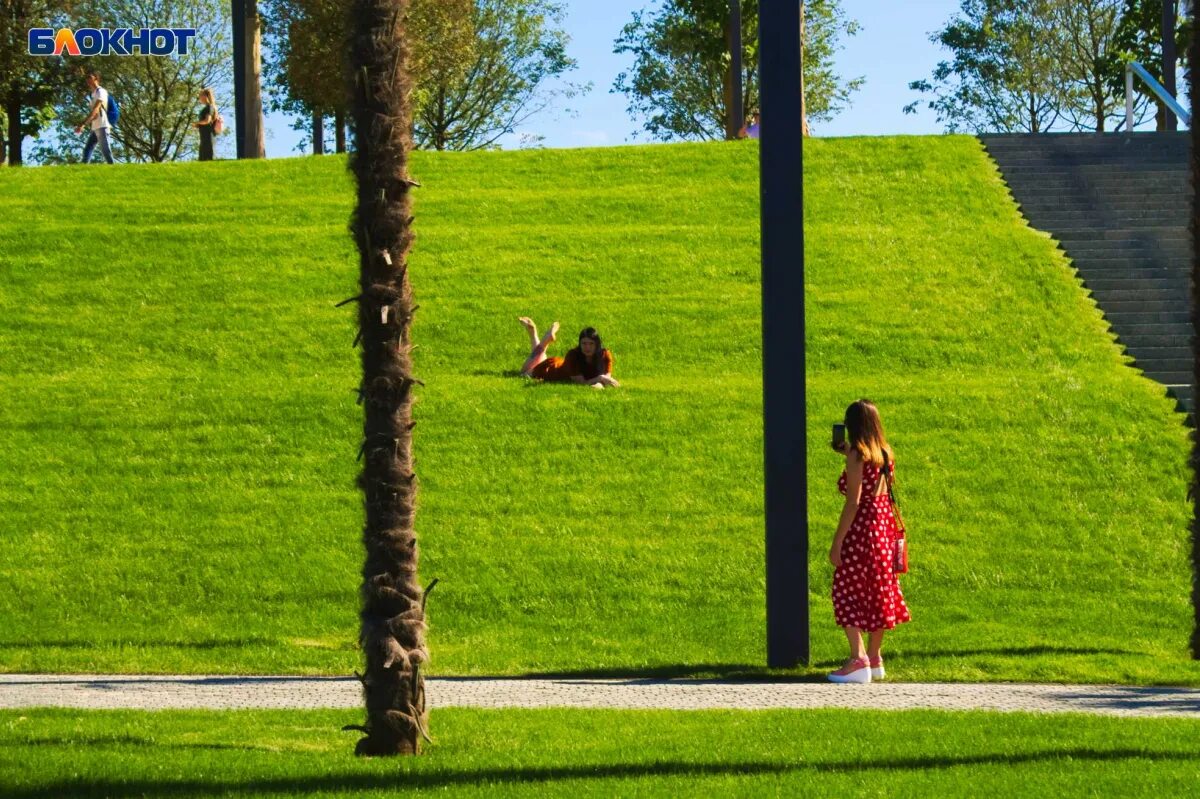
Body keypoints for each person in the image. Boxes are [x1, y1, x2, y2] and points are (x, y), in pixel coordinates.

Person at [827, 399, 910, 683]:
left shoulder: (857, 456)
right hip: (883, 531)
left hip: (861, 531)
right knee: (879, 591)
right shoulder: (885, 454)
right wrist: (847, 454)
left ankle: (857, 659)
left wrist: (837, 541)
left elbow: (853, 502)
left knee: (845, 591)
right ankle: (874, 657)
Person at [517, 318, 619, 388]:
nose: (587, 347)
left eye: (591, 344)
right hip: (550, 370)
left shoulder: (605, 354)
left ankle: (535, 334)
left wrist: (600, 383)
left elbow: (607, 379)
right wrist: (600, 379)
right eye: (584, 343)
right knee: (523, 374)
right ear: (579, 344)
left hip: (560, 363)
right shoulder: (573, 355)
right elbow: (581, 383)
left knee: (539, 357)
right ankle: (542, 340)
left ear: (597, 344)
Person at [74, 72, 113, 164]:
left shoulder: (101, 91)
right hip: (95, 126)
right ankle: (82, 168)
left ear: (96, 79)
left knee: (106, 150)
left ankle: (113, 167)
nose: (89, 81)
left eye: (90, 78)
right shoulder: (93, 94)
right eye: (87, 79)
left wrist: (83, 124)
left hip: (102, 125)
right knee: (88, 148)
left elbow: (96, 109)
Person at [193, 88, 218, 161]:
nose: (199, 97)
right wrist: (199, 125)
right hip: (204, 134)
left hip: (207, 134)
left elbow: (207, 120)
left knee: (207, 155)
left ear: (205, 96)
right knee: (202, 155)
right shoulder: (207, 108)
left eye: (200, 95)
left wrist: (197, 123)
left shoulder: (209, 107)